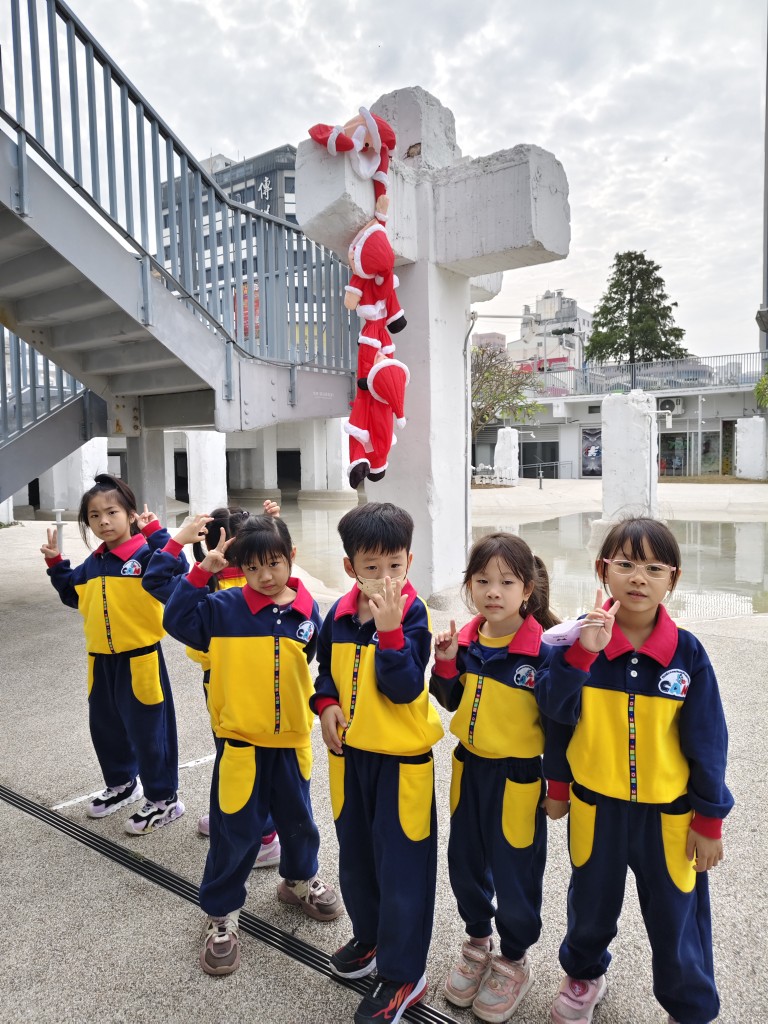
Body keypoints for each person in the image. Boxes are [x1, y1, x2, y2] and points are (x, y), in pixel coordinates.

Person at [536, 516, 733, 1024]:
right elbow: (554, 713)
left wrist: (709, 818)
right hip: (596, 807)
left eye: (654, 568)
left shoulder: (687, 654)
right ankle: (583, 974)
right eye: (625, 564)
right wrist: (557, 785)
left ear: (673, 579)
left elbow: (708, 740)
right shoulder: (576, 641)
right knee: (590, 903)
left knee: (677, 917)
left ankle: (689, 1007)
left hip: (668, 815)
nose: (638, 578)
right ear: (603, 570)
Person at [160, 513, 342, 976]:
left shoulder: (308, 610)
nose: (265, 576)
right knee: (233, 829)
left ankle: (299, 880)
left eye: (274, 564)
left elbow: (317, 662)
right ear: (240, 568)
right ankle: (221, 913)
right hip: (241, 743)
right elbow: (176, 620)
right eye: (253, 567)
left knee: (299, 820)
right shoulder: (222, 608)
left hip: (291, 742)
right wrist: (201, 572)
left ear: (291, 558)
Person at [429, 533, 570, 1022]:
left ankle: (513, 957)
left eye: (507, 582)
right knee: (465, 861)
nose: (493, 591)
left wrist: (558, 787)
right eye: (483, 580)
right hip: (468, 768)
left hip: (519, 778)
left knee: (516, 870)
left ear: (527, 589)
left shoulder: (543, 651)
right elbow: (449, 699)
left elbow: (559, 726)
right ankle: (477, 940)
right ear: (469, 585)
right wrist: (446, 662)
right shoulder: (467, 641)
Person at [312, 502, 444, 1024]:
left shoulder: (413, 613)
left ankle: (404, 973)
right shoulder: (339, 615)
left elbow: (405, 686)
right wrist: (325, 703)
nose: (386, 577)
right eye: (372, 567)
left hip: (402, 764)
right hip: (350, 760)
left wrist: (390, 632)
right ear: (350, 567)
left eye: (396, 565)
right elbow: (325, 669)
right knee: (357, 858)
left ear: (409, 560)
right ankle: (369, 938)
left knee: (403, 870)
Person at [41, 473, 187, 833]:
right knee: (105, 727)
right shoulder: (94, 563)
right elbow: (73, 595)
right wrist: (57, 564)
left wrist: (158, 535)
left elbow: (179, 571)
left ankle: (164, 799)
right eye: (94, 515)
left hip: (140, 659)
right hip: (100, 661)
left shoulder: (147, 555)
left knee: (149, 732)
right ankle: (122, 784)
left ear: (131, 515)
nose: (103, 521)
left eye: (111, 512)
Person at [144, 500, 283, 868]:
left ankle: (264, 835)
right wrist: (274, 526)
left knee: (239, 753)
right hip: (253, 677)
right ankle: (235, 818)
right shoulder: (256, 580)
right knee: (244, 755)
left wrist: (174, 540)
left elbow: (155, 581)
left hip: (224, 679)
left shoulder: (206, 582)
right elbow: (281, 564)